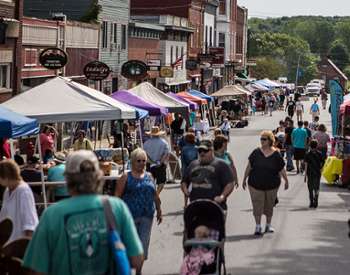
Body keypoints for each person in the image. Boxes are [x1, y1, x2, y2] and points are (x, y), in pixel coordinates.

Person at [23, 150, 144, 275]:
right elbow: (137, 259)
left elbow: (35, 269)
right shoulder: (116, 208)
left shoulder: (52, 214)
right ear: (98, 176)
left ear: (68, 178)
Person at [116, 148, 162, 275]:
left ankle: (139, 271)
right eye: (138, 161)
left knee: (142, 244)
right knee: (130, 245)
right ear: (132, 162)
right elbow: (117, 197)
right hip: (129, 217)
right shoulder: (125, 177)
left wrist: (159, 210)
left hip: (147, 215)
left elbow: (154, 195)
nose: (142, 163)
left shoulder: (150, 176)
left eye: (144, 161)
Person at [242, 131, 289, 235]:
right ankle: (258, 226)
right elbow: (249, 166)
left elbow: (281, 169)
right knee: (257, 204)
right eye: (261, 139)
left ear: (270, 140)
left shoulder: (276, 154)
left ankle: (268, 225)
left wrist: (286, 180)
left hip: (272, 185)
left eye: (264, 139)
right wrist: (244, 178)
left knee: (269, 205)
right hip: (255, 184)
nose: (262, 141)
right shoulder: (256, 152)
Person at [181, 140, 235, 210]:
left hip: (216, 206)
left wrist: (222, 196)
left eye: (205, 151)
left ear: (212, 150)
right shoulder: (193, 164)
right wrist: (185, 190)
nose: (202, 153)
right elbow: (184, 181)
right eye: (200, 151)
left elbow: (230, 183)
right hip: (196, 206)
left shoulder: (221, 164)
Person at [0, 159, 38, 242]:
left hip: (20, 246)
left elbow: (30, 222)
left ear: (6, 177)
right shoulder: (7, 190)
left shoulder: (24, 191)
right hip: (8, 245)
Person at [143, 126, 170, 194]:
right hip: (160, 164)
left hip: (149, 164)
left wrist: (151, 161)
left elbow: (144, 154)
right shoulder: (164, 142)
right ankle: (157, 194)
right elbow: (166, 154)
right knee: (161, 182)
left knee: (150, 181)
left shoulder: (146, 143)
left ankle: (154, 194)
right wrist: (161, 162)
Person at [304, 140, 325, 208]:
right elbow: (322, 164)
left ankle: (311, 202)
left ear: (310, 146)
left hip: (310, 173)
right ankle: (316, 200)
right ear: (317, 146)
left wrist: (304, 176)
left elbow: (306, 165)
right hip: (317, 173)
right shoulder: (320, 153)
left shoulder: (307, 154)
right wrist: (321, 171)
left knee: (310, 188)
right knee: (317, 188)